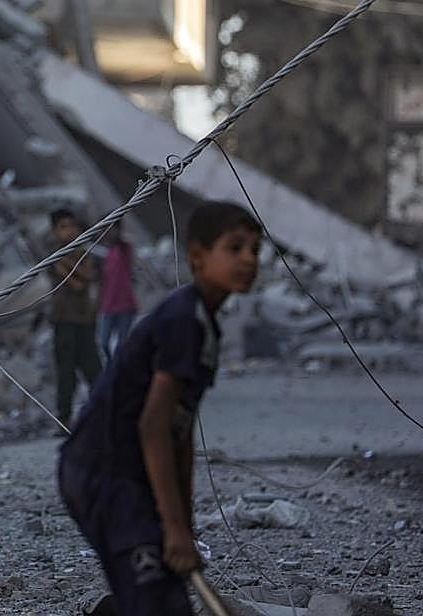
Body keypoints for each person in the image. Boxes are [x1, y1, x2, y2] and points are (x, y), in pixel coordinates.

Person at [57, 201, 261, 616]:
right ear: (199, 256)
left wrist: (183, 526)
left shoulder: (206, 326)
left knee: (162, 595)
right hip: (104, 474)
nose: (248, 260)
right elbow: (154, 425)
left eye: (255, 251)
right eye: (235, 247)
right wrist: (171, 527)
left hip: (128, 477)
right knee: (155, 600)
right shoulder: (183, 320)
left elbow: (180, 432)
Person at [48, 208, 102, 430]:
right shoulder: (54, 255)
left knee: (94, 369)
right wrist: (71, 267)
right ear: (54, 232)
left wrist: (69, 265)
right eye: (63, 227)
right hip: (63, 319)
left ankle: (104, 411)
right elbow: (76, 282)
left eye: (71, 226)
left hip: (85, 319)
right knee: (65, 372)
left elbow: (85, 279)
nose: (68, 231)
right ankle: (64, 418)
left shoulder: (82, 253)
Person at [97, 221, 139, 362]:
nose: (110, 232)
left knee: (122, 345)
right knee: (103, 342)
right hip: (108, 304)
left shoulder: (124, 248)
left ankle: (118, 372)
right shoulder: (102, 252)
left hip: (125, 304)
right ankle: (112, 367)